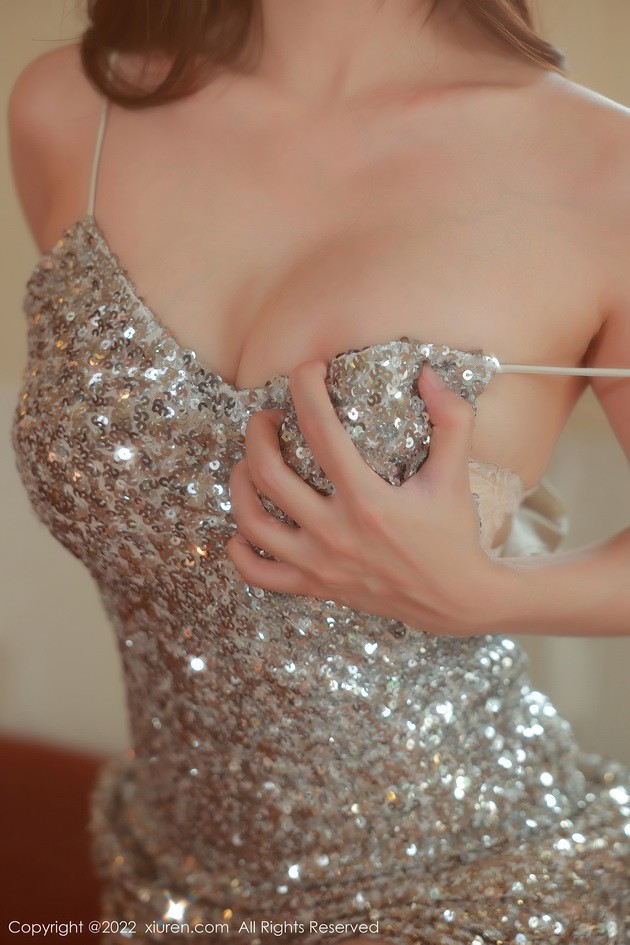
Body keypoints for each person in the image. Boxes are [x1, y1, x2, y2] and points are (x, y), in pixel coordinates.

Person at [8, 0, 630, 942]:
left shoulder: (602, 174)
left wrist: (486, 594)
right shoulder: (69, 111)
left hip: (486, 891)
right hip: (162, 892)